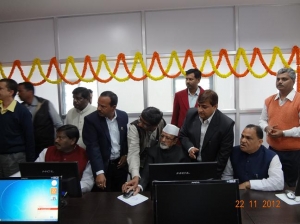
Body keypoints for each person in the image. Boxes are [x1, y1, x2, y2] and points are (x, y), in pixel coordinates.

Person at [12, 125, 94, 193]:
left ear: (72, 140)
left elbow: (87, 183)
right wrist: (8, 180)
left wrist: (67, 188)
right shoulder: (47, 151)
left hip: (74, 196)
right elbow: (31, 171)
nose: (56, 140)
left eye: (60, 138)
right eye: (56, 137)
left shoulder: (85, 156)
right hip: (46, 193)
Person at [259, 67, 300, 187]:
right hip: (272, 150)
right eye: (278, 79)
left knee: (290, 186)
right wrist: (267, 128)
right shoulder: (269, 100)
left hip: (294, 153)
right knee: (273, 183)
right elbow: (262, 120)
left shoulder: (298, 100)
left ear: (293, 81)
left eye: (284, 79)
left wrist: (283, 133)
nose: (280, 82)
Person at [179, 89, 234, 178]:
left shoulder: (226, 124)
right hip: (191, 164)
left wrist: (212, 176)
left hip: (211, 167)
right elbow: (183, 135)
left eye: (204, 107)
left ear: (215, 106)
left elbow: (223, 155)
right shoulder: (191, 114)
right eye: (199, 106)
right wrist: (190, 148)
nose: (200, 110)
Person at [123, 124, 189, 194]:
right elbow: (146, 173)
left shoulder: (182, 154)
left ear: (175, 141)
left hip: (175, 190)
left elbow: (183, 178)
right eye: (162, 136)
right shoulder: (152, 151)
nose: (163, 140)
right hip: (155, 189)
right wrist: (140, 186)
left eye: (167, 138)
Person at [82, 91, 128, 192]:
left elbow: (125, 138)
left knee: (120, 195)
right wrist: (99, 172)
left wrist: (125, 154)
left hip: (120, 166)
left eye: (103, 106)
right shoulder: (91, 120)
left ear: (113, 107)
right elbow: (93, 147)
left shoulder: (123, 116)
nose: (98, 108)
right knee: (102, 199)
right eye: (98, 104)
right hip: (103, 165)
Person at [222, 124, 284, 191]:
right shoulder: (233, 153)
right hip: (238, 193)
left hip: (262, 196)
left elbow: (278, 183)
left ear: (260, 142)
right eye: (242, 136)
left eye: (248, 138)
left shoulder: (271, 157)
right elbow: (227, 177)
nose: (243, 140)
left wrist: (249, 184)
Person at [18, 82, 63, 158]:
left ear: (30, 92)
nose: (18, 94)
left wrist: (58, 141)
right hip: (28, 147)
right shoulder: (20, 107)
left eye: (20, 91)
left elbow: (58, 124)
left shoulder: (45, 104)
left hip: (46, 146)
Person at [0, 78, 35, 177]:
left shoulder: (22, 111)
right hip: (1, 154)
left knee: (13, 185)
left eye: (0, 88)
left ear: (10, 92)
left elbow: (29, 137)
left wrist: (30, 161)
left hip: (15, 156)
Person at [125, 107, 166, 190]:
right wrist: (135, 175)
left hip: (154, 164)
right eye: (140, 119)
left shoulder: (161, 123)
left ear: (154, 126)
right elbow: (133, 153)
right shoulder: (134, 128)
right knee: (138, 189)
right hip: (139, 165)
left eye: (144, 123)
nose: (140, 124)